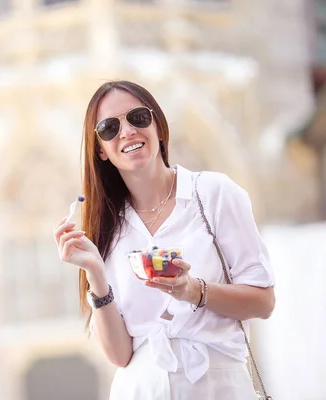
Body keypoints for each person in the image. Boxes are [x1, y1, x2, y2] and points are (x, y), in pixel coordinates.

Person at [53, 81, 275, 399]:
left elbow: (263, 302)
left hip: (216, 387)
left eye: (138, 117)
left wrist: (193, 290)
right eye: (109, 127)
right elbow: (120, 356)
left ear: (158, 125)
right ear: (100, 149)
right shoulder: (106, 227)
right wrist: (94, 272)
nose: (127, 131)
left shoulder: (213, 193)